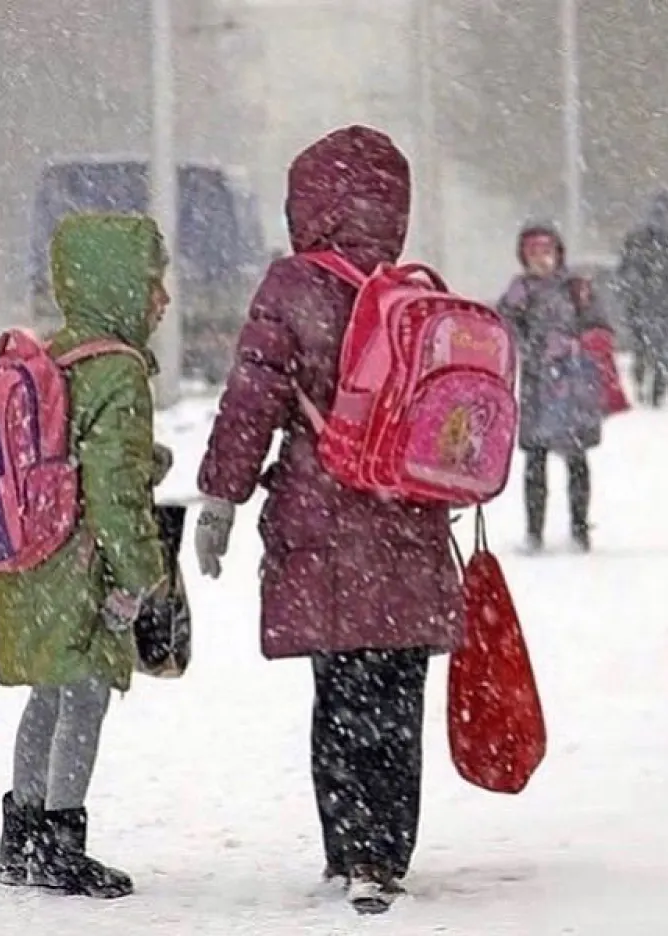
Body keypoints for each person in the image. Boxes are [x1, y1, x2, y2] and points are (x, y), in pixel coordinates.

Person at [191, 125, 463, 913]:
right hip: (409, 525)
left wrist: (221, 497)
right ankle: (388, 852)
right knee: (397, 698)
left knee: (340, 695)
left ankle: (349, 852)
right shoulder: (419, 293)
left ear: (307, 203)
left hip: (323, 526)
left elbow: (253, 400)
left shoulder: (292, 287)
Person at [0, 212, 175, 899]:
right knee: (87, 695)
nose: (164, 298)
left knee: (48, 691)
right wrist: (142, 577)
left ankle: (22, 840)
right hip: (81, 561)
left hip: (30, 554)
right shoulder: (119, 372)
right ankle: (64, 846)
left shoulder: (55, 355)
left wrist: (136, 455)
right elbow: (113, 494)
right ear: (120, 285)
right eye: (154, 283)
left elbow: (68, 449)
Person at [498, 220, 614, 553]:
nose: (540, 258)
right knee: (535, 460)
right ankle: (534, 531)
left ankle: (580, 529)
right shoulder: (520, 291)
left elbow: (599, 327)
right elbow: (504, 325)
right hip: (537, 384)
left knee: (576, 458)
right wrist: (532, 345)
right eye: (533, 251)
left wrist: (577, 346)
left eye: (546, 250)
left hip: (572, 386)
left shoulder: (576, 289)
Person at [617, 190, 668, 406]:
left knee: (643, 345)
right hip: (667, 303)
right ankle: (660, 382)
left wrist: (628, 292)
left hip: (644, 302)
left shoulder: (636, 237)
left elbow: (625, 269)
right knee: (666, 345)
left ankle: (644, 378)